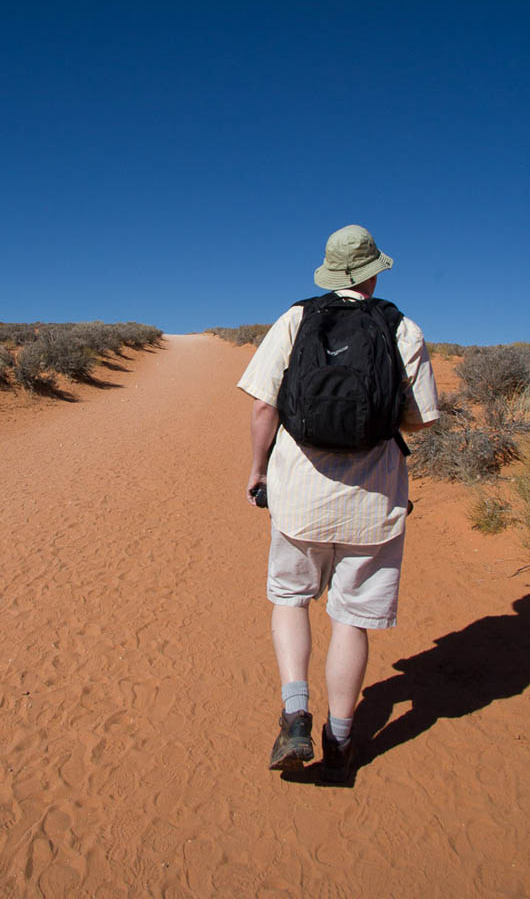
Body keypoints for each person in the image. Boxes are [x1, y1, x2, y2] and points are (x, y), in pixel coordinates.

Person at [237, 225, 439, 782]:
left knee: (291, 599)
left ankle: (296, 714)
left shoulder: (295, 319)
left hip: (299, 496)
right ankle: (343, 740)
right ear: (373, 272)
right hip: (374, 503)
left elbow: (262, 409)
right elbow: (418, 420)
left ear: (331, 271)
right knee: (351, 619)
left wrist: (258, 472)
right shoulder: (404, 328)